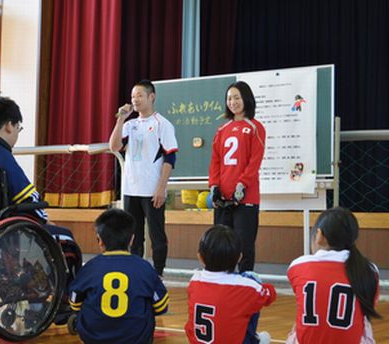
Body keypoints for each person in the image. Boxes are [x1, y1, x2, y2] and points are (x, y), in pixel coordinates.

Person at [0, 95, 79, 321]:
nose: (18, 134)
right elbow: (29, 197)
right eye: (18, 127)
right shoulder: (0, 155)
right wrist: (46, 220)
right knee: (65, 238)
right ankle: (62, 302)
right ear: (9, 125)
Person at [109, 79, 178, 276]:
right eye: (132, 96)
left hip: (151, 190)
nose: (135, 99)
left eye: (139, 95)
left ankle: (158, 274)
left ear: (151, 96)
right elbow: (114, 147)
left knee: (156, 235)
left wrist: (160, 188)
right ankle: (135, 274)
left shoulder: (162, 124)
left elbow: (170, 157)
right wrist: (120, 119)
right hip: (131, 189)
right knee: (133, 236)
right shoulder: (130, 125)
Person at [68, 208, 169, 344]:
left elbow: (75, 304)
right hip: (136, 339)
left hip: (93, 338)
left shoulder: (89, 268)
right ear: (132, 239)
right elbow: (161, 307)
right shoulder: (145, 267)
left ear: (100, 240)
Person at [287, 207, 380, 344]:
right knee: (364, 320)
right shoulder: (370, 270)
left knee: (297, 326)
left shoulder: (297, 265)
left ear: (319, 235)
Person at [209, 80, 266, 273]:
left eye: (237, 98)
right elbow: (215, 161)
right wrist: (214, 186)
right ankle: (222, 282)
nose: (232, 102)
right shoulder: (221, 130)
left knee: (244, 245)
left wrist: (243, 184)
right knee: (221, 245)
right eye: (229, 98)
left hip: (245, 198)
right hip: (223, 199)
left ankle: (244, 283)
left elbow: (254, 161)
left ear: (246, 99)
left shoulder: (255, 127)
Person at [185, 225, 276, 344]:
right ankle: (253, 339)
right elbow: (270, 296)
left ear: (200, 257)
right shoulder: (246, 286)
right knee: (253, 288)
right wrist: (253, 281)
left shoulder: (195, 280)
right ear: (239, 257)